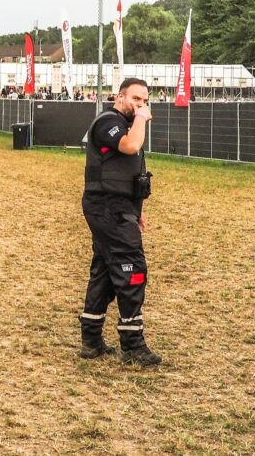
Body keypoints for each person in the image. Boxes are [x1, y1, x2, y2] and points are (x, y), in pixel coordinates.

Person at [78, 77, 161, 367]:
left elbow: (124, 170)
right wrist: (141, 118)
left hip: (118, 207)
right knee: (131, 267)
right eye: (136, 99)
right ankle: (133, 344)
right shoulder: (107, 122)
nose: (142, 105)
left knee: (105, 268)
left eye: (145, 100)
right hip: (106, 208)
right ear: (120, 97)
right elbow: (130, 146)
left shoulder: (124, 123)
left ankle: (91, 339)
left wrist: (135, 210)